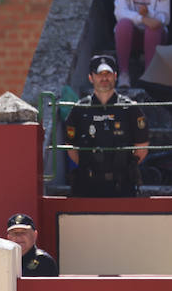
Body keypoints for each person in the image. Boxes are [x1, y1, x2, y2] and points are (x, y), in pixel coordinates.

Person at [63, 55, 150, 197]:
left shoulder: (130, 109)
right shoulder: (79, 110)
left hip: (122, 186)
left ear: (115, 76)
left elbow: (142, 146)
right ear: (91, 78)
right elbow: (70, 147)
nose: (104, 78)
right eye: (99, 74)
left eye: (108, 74)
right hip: (87, 185)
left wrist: (123, 169)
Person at [113, 0, 172, 86]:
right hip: (131, 35)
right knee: (123, 25)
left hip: (155, 35)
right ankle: (124, 74)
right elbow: (120, 12)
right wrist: (142, 18)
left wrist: (151, 15)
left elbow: (165, 17)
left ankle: (149, 76)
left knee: (153, 28)